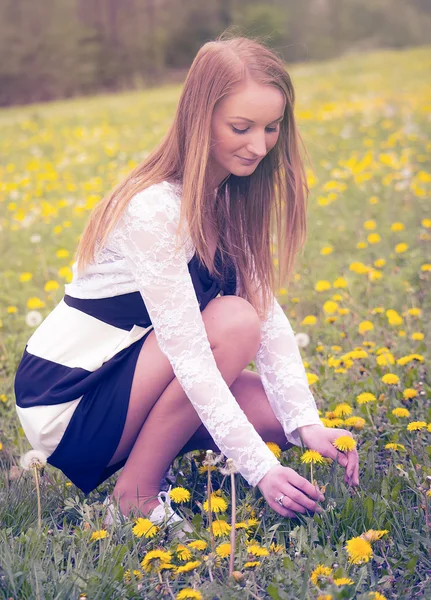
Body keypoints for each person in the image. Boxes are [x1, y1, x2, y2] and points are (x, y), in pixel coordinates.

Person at [13, 33, 359, 528]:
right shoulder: (154, 208)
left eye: (271, 128)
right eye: (241, 127)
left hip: (133, 378)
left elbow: (270, 316)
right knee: (233, 323)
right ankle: (134, 495)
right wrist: (261, 469)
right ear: (201, 119)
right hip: (70, 397)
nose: (258, 146)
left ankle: (160, 455)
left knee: (275, 417)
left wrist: (306, 425)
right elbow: (194, 352)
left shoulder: (229, 199)